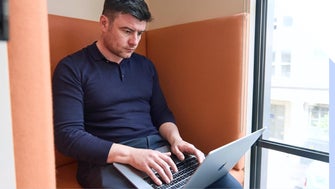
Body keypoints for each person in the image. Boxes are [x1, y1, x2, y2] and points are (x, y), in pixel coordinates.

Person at [52, 0, 242, 188]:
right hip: (108, 161)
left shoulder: (145, 65)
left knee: (227, 185)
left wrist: (176, 140)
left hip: (159, 151)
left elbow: (162, 114)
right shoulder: (72, 68)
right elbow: (68, 136)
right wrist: (133, 155)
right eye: (127, 31)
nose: (134, 41)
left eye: (140, 33)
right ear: (104, 23)